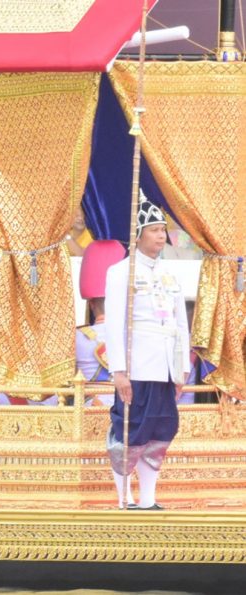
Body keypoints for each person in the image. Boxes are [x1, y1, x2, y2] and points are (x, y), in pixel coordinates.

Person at [105, 196, 191, 510]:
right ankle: (123, 496)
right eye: (153, 229)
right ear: (138, 235)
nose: (160, 235)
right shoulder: (120, 272)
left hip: (166, 366)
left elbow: (181, 323)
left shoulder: (170, 274)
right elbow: (114, 323)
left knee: (161, 430)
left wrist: (182, 368)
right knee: (132, 430)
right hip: (137, 366)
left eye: (162, 230)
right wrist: (119, 370)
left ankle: (149, 499)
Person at [76, 240, 126, 406]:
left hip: (90, 410)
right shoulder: (135, 334)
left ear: (91, 305)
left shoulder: (77, 337)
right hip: (128, 406)